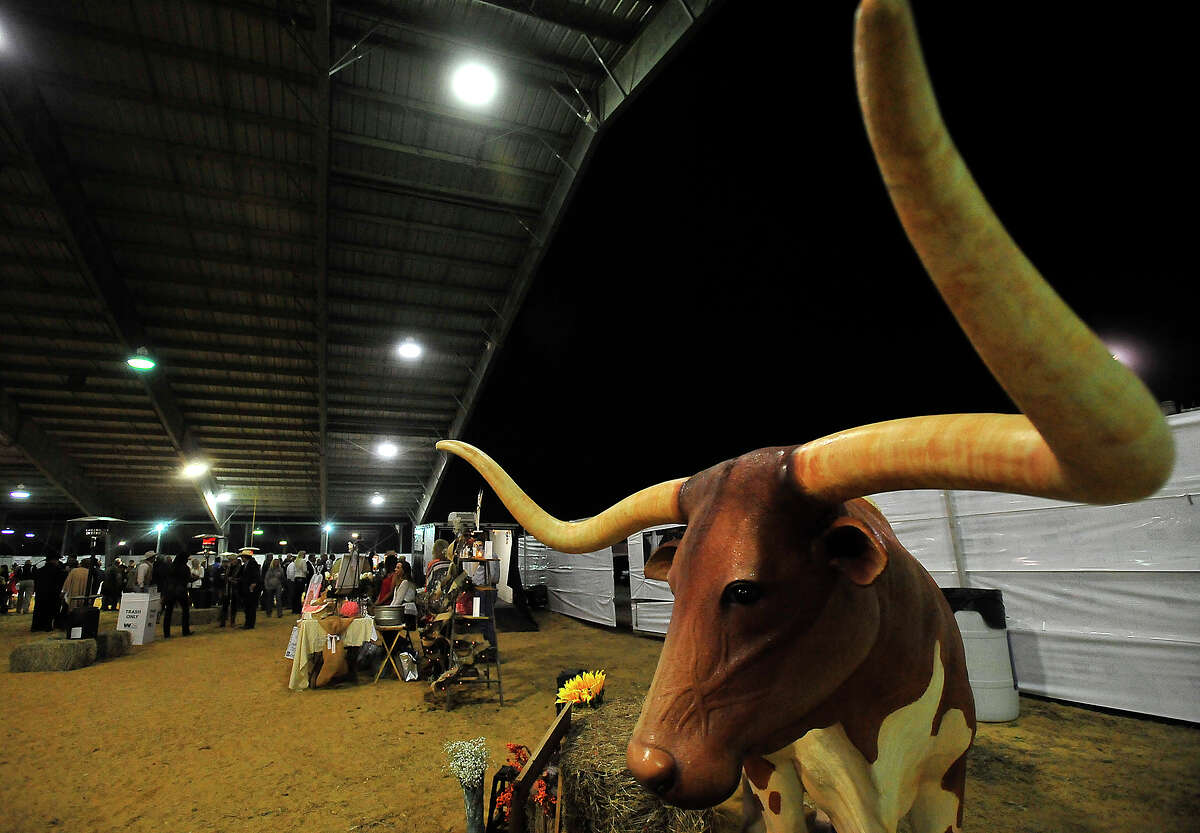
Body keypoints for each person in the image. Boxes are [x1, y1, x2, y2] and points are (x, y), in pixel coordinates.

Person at [161, 552, 192, 638]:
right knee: (185, 611)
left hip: (170, 591)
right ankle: (185, 631)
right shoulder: (185, 568)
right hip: (181, 591)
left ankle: (166, 633)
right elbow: (187, 579)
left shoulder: (170, 567)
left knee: (168, 612)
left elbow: (166, 580)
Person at [31, 554, 65, 632]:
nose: (57, 562)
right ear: (53, 560)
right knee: (50, 610)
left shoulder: (40, 570)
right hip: (53, 594)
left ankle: (36, 627)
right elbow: (61, 583)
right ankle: (47, 626)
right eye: (57, 560)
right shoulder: (58, 571)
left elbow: (35, 582)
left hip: (40, 594)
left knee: (38, 610)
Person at [238, 550, 261, 629]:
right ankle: (248, 623)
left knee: (250, 607)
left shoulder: (252, 564)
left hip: (251, 589)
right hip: (247, 588)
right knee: (247, 607)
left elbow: (256, 576)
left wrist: (253, 584)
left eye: (242, 557)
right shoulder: (246, 565)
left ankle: (250, 624)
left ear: (245, 557)